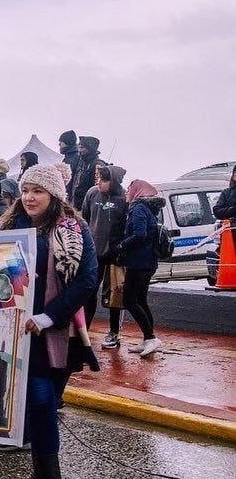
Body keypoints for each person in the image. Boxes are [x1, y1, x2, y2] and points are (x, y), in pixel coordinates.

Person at [0, 162, 98, 479]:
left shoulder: (74, 230)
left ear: (54, 195)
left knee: (45, 405)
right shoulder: (8, 228)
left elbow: (87, 281)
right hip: (18, 333)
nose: (29, 197)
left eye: (38, 191)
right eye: (25, 190)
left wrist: (48, 316)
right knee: (41, 404)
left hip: (59, 333)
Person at [115, 180, 165, 357]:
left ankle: (151, 338)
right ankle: (147, 339)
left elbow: (139, 233)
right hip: (148, 262)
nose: (127, 191)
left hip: (138, 262)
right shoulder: (149, 208)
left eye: (130, 188)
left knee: (129, 300)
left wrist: (121, 246)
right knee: (141, 300)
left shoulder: (138, 209)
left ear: (137, 191)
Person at [81, 165, 127, 347]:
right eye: (99, 178)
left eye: (104, 179)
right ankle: (83, 331)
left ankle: (114, 332)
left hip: (114, 256)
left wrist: (121, 249)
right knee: (89, 292)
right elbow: (84, 218)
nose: (99, 182)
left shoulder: (123, 198)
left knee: (114, 296)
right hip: (93, 254)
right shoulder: (92, 194)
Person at [70, 136, 107, 210]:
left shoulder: (98, 165)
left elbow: (98, 190)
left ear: (90, 149)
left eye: (82, 147)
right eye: (79, 147)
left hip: (87, 208)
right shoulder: (81, 163)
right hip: (75, 205)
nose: (79, 150)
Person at [58, 130, 80, 199]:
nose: (59, 144)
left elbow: (69, 180)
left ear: (67, 143)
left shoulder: (73, 158)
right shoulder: (69, 157)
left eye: (61, 142)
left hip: (70, 196)